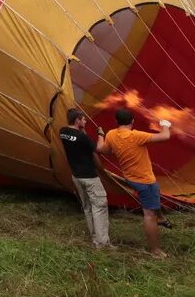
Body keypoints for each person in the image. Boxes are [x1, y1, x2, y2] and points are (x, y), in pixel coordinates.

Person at [98, 108, 173, 258]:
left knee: (155, 196)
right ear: (132, 121)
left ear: (116, 121)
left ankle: (162, 219)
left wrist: (100, 134)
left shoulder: (111, 134)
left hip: (130, 178)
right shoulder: (136, 136)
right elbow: (165, 136)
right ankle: (156, 251)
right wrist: (165, 124)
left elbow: (101, 149)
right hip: (144, 181)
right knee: (149, 214)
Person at [59, 108, 110, 247]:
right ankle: (102, 243)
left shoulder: (62, 132)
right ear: (77, 120)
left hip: (77, 177)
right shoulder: (83, 138)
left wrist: (82, 129)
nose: (86, 120)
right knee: (100, 207)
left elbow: (77, 136)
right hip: (90, 178)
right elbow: (99, 149)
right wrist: (100, 135)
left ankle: (95, 238)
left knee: (88, 207)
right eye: (83, 119)